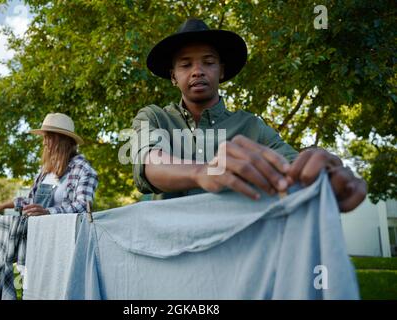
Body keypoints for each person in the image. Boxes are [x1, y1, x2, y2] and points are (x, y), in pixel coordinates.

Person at [131, 18, 366, 212]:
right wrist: (204, 172)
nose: (197, 71)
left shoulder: (251, 126)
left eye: (208, 62)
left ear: (221, 70)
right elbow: (149, 164)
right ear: (173, 76)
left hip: (240, 253)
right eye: (185, 65)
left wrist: (326, 172)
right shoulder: (152, 117)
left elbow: (293, 169)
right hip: (171, 252)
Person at [0, 113, 98, 218]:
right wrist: (1, 206)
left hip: (66, 238)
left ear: (62, 140)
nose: (44, 143)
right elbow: (31, 201)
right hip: (39, 236)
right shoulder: (46, 171)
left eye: (48, 137)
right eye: (44, 138)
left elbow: (83, 206)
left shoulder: (83, 170)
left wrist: (48, 212)